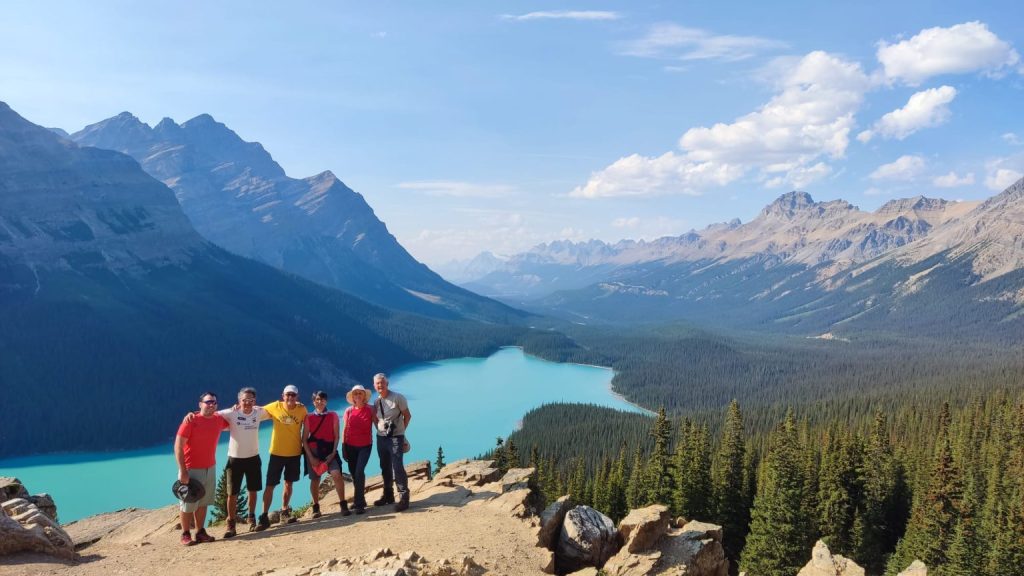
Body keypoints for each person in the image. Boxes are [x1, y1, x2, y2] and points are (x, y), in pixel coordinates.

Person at [174, 392, 228, 546]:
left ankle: (200, 532)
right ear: (200, 404)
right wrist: (183, 470)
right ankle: (185, 534)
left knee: (203, 502)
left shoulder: (218, 420)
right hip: (191, 469)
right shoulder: (191, 421)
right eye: (208, 402)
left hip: (210, 467)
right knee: (188, 503)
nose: (211, 405)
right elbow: (178, 447)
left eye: (214, 402)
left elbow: (235, 419)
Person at [217, 387, 269, 536]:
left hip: (253, 458)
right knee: (232, 493)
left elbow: (278, 410)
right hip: (234, 459)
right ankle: (231, 524)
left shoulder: (259, 412)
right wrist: (192, 415)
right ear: (239, 401)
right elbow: (209, 415)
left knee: (253, 491)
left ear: (255, 401)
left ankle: (251, 518)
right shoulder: (231, 413)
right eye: (244, 400)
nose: (247, 403)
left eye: (250, 400)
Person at [256, 384, 307, 530]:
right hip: (276, 453)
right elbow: (256, 410)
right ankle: (264, 516)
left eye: (293, 395)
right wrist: (237, 408)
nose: (290, 397)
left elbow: (309, 425)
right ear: (283, 395)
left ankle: (284, 511)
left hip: (294, 453)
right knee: (270, 485)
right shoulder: (274, 406)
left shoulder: (302, 409)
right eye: (287, 395)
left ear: (297, 396)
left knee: (288, 484)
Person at [303, 391, 350, 517]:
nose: (320, 401)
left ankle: (343, 504)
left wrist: (333, 452)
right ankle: (316, 507)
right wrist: (311, 457)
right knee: (315, 479)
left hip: (329, 450)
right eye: (317, 399)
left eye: (323, 399)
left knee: (336, 474)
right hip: (314, 451)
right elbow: (304, 439)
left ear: (326, 401)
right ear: (313, 401)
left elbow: (336, 436)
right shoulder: (308, 417)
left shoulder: (333, 415)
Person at [372, 373, 412, 512]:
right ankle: (388, 495)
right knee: (385, 466)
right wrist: (379, 429)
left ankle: (404, 498)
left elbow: (407, 415)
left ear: (387, 383)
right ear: (374, 385)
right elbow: (375, 419)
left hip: (396, 438)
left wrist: (401, 431)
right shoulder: (376, 402)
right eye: (377, 383)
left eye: (382, 383)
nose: (380, 385)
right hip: (381, 438)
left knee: (397, 467)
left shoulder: (397, 398)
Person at [341, 384, 374, 514]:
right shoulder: (348, 411)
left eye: (360, 393)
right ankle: (360, 499)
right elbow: (345, 429)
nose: (358, 396)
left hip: (365, 446)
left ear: (364, 395)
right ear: (352, 397)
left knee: (359, 471)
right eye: (355, 394)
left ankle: (359, 503)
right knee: (354, 474)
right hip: (350, 446)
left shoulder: (370, 409)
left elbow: (378, 422)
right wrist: (343, 446)